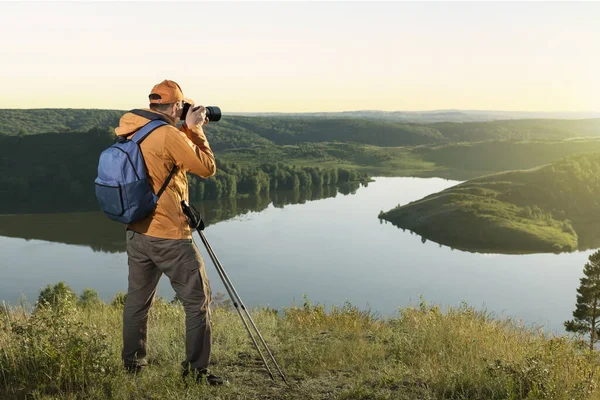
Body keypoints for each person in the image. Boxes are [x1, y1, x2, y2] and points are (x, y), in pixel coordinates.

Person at [114, 80, 225, 385]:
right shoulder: (168, 134)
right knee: (197, 302)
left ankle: (132, 366)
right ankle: (195, 373)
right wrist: (194, 129)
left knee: (137, 302)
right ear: (176, 107)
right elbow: (206, 167)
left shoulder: (132, 129)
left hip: (137, 231)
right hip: (170, 235)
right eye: (183, 107)